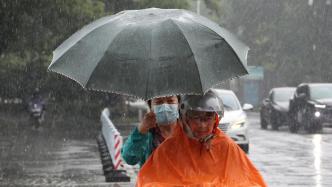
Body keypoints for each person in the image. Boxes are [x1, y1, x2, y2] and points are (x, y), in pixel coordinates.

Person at [136, 91, 267, 186]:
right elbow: (148, 181)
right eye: (196, 117)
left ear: (216, 119)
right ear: (185, 118)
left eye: (208, 118)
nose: (203, 125)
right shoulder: (169, 148)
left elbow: (250, 182)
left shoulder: (225, 146)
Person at [121, 95, 180, 167]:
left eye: (170, 101)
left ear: (178, 104)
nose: (165, 106)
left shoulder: (188, 131)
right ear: (150, 107)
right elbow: (129, 158)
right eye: (159, 102)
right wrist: (141, 130)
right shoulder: (146, 134)